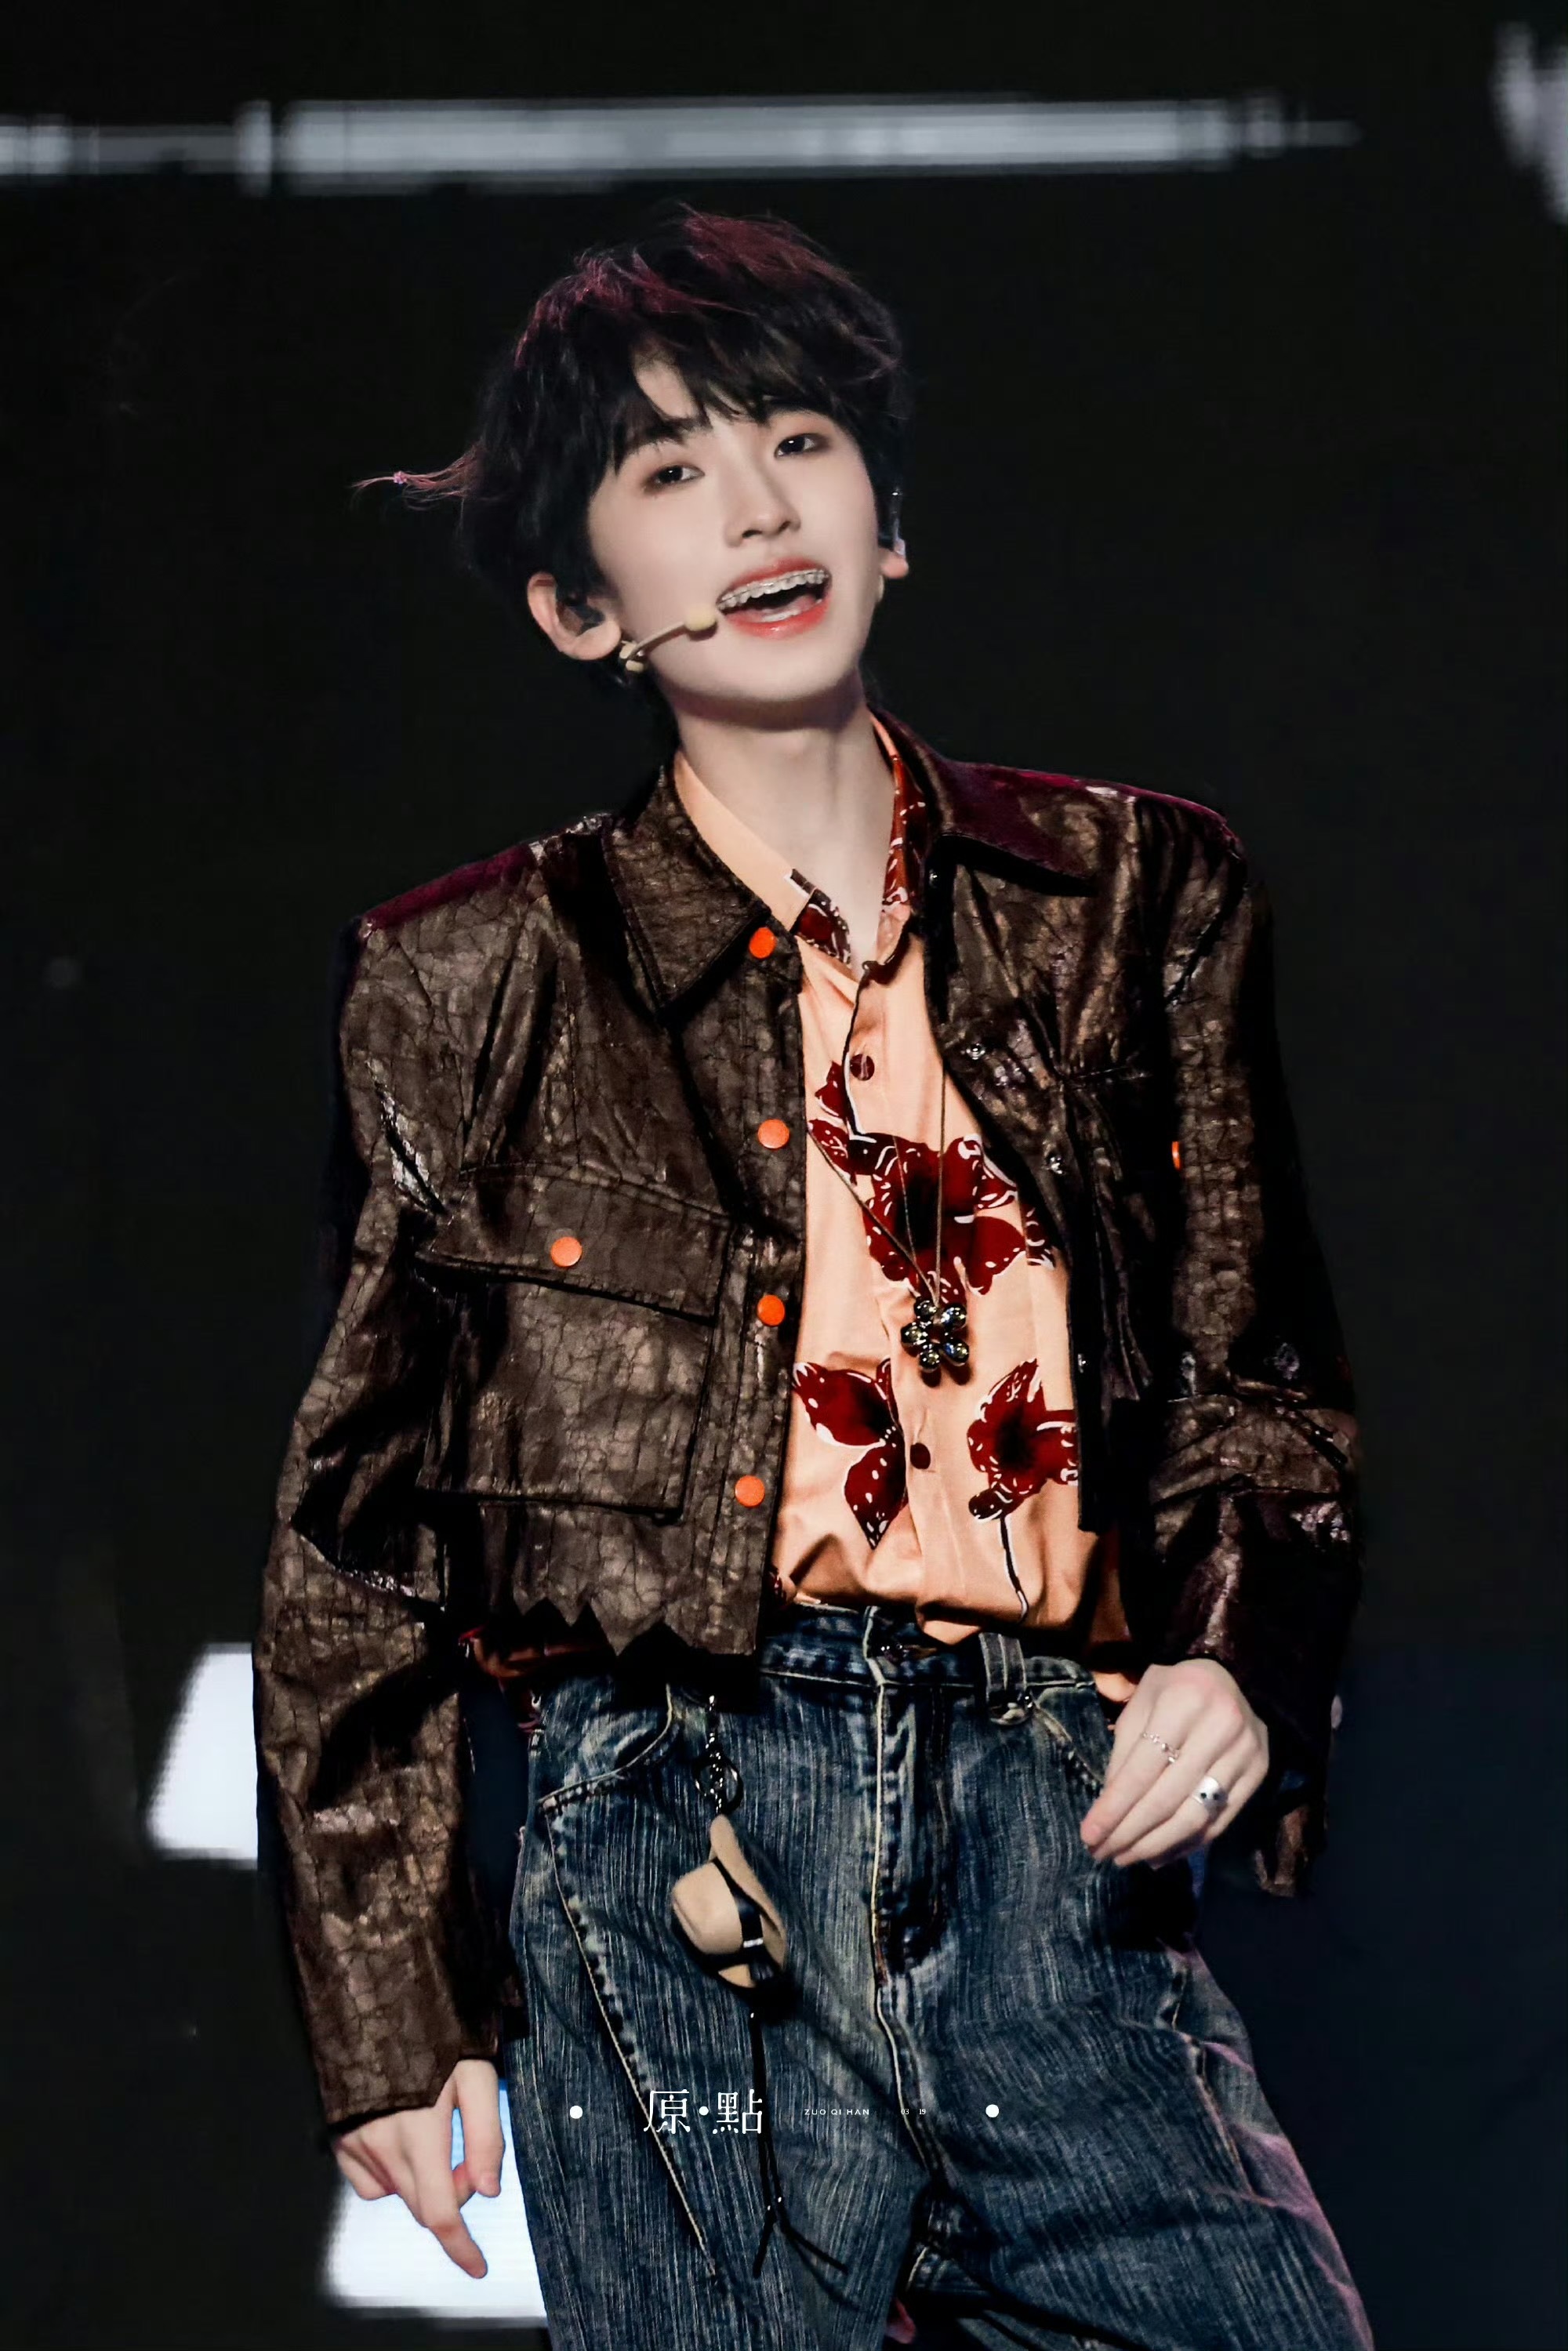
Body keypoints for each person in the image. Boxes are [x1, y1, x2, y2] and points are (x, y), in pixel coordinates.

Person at [252, 206, 1374, 2350]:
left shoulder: (1137, 895)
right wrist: (392, 2007)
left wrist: (1239, 1657)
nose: (759, 509)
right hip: (685, 1860)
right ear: (580, 604)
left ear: (889, 518)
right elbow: (359, 1541)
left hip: (1063, 1836)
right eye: (671, 469)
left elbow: (1257, 1371)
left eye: (799, 441)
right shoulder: (466, 977)